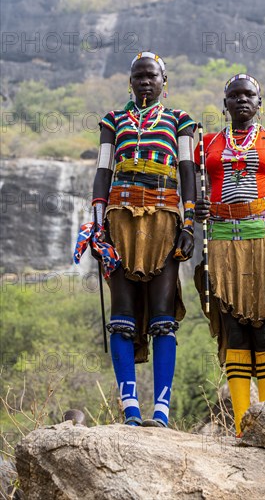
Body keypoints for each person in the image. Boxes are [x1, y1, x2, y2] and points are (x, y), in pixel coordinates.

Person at [194, 73, 265, 437]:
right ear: (224, 104)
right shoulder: (206, 144)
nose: (242, 101)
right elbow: (190, 187)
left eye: (249, 95)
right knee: (234, 333)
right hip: (223, 243)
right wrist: (196, 207)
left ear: (260, 102)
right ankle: (243, 428)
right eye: (234, 96)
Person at [91, 51, 196, 428]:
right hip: (118, 218)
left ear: (164, 81)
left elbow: (187, 170)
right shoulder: (113, 121)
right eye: (138, 76)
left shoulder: (179, 121)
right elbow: (104, 171)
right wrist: (96, 224)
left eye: (152, 76)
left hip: (166, 216)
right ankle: (131, 410)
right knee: (121, 316)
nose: (145, 81)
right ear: (130, 82)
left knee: (163, 316)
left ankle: (162, 412)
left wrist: (189, 222)